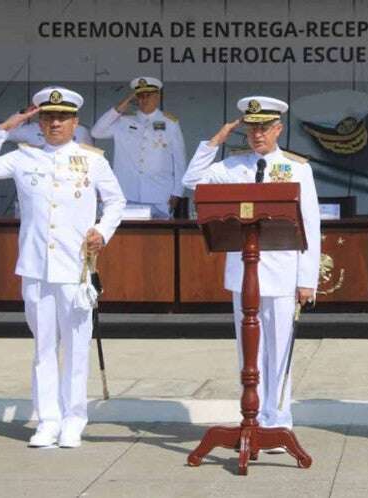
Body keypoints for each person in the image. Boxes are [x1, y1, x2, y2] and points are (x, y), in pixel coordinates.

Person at [0, 86, 125, 448]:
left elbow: (116, 202)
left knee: (75, 347)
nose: (55, 123)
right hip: (37, 267)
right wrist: (2, 130)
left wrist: (102, 231)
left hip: (76, 269)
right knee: (43, 348)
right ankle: (47, 420)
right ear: (39, 122)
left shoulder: (92, 159)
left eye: (62, 118)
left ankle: (73, 419)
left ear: (75, 122)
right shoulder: (23, 157)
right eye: (48, 117)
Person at [182, 97, 320, 450]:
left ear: (278, 129)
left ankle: (279, 420)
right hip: (244, 273)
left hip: (284, 273)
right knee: (249, 354)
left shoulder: (296, 168)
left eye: (264, 128)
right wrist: (213, 142)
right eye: (252, 127)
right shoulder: (231, 166)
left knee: (279, 349)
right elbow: (191, 181)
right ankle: (253, 417)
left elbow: (311, 225)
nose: (257, 134)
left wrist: (307, 280)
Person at [91, 77, 186, 218]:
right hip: (127, 192)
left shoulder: (170, 123)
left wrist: (177, 191)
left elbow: (179, 160)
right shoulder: (123, 121)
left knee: (160, 236)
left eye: (149, 95)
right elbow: (96, 132)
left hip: (159, 193)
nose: (144, 100)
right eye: (140, 96)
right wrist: (121, 107)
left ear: (157, 97)